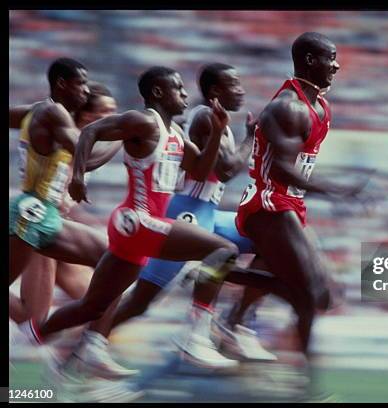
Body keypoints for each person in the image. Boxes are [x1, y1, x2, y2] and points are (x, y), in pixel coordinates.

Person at [23, 66, 289, 371]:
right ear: (159, 93)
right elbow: (91, 132)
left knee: (94, 305)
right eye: (178, 89)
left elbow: (202, 170)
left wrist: (217, 132)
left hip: (144, 226)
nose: (186, 94)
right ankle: (196, 335)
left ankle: (35, 335)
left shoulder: (175, 133)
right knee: (222, 250)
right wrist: (79, 176)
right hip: (136, 220)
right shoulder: (143, 120)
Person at [235, 32, 364, 359]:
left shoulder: (321, 106)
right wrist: (337, 190)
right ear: (309, 60)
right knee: (309, 295)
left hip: (291, 205)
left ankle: (234, 316)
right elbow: (281, 171)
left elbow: (299, 168)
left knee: (325, 298)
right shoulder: (287, 107)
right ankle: (303, 386)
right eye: (330, 58)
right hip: (267, 203)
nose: (337, 66)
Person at [9, 71, 134, 377]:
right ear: (86, 115)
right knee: (35, 324)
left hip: (53, 225)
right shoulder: (65, 133)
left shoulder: (63, 129)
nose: (113, 119)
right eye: (107, 114)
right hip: (35, 225)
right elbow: (86, 159)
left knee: (103, 292)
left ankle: (85, 355)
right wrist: (123, 134)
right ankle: (32, 381)